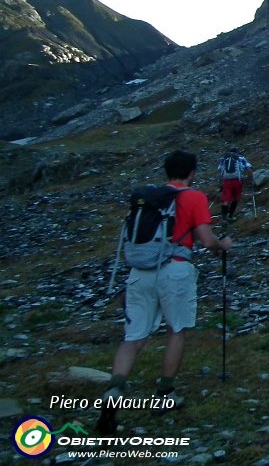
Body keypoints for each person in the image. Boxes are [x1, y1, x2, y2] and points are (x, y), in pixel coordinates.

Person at [97, 149, 232, 435]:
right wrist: (224, 245)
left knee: (133, 337)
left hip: (139, 272)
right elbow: (207, 241)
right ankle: (165, 395)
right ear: (192, 173)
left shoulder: (150, 199)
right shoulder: (193, 197)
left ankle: (113, 392)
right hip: (174, 269)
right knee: (176, 330)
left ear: (167, 171)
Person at [217, 146, 253, 222]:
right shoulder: (241, 159)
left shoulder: (224, 159)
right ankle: (231, 216)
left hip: (227, 181)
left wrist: (221, 183)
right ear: (237, 152)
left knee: (226, 200)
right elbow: (249, 170)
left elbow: (220, 173)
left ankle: (224, 219)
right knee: (236, 198)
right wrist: (251, 180)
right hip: (238, 181)